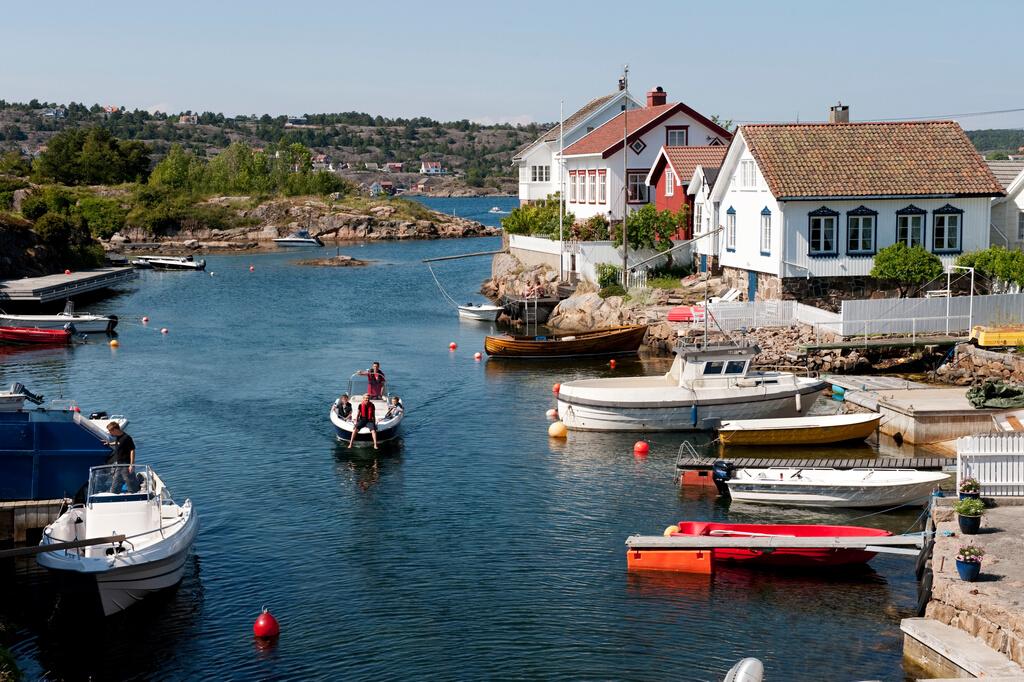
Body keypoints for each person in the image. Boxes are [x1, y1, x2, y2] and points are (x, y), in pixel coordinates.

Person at [106, 422, 137, 494]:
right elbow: (117, 443)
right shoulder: (118, 437)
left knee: (130, 483)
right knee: (115, 484)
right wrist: (109, 443)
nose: (110, 433)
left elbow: (132, 450)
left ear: (115, 430)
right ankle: (114, 495)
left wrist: (131, 465)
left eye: (110, 431)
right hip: (119, 465)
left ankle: (134, 495)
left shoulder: (127, 438)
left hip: (126, 464)